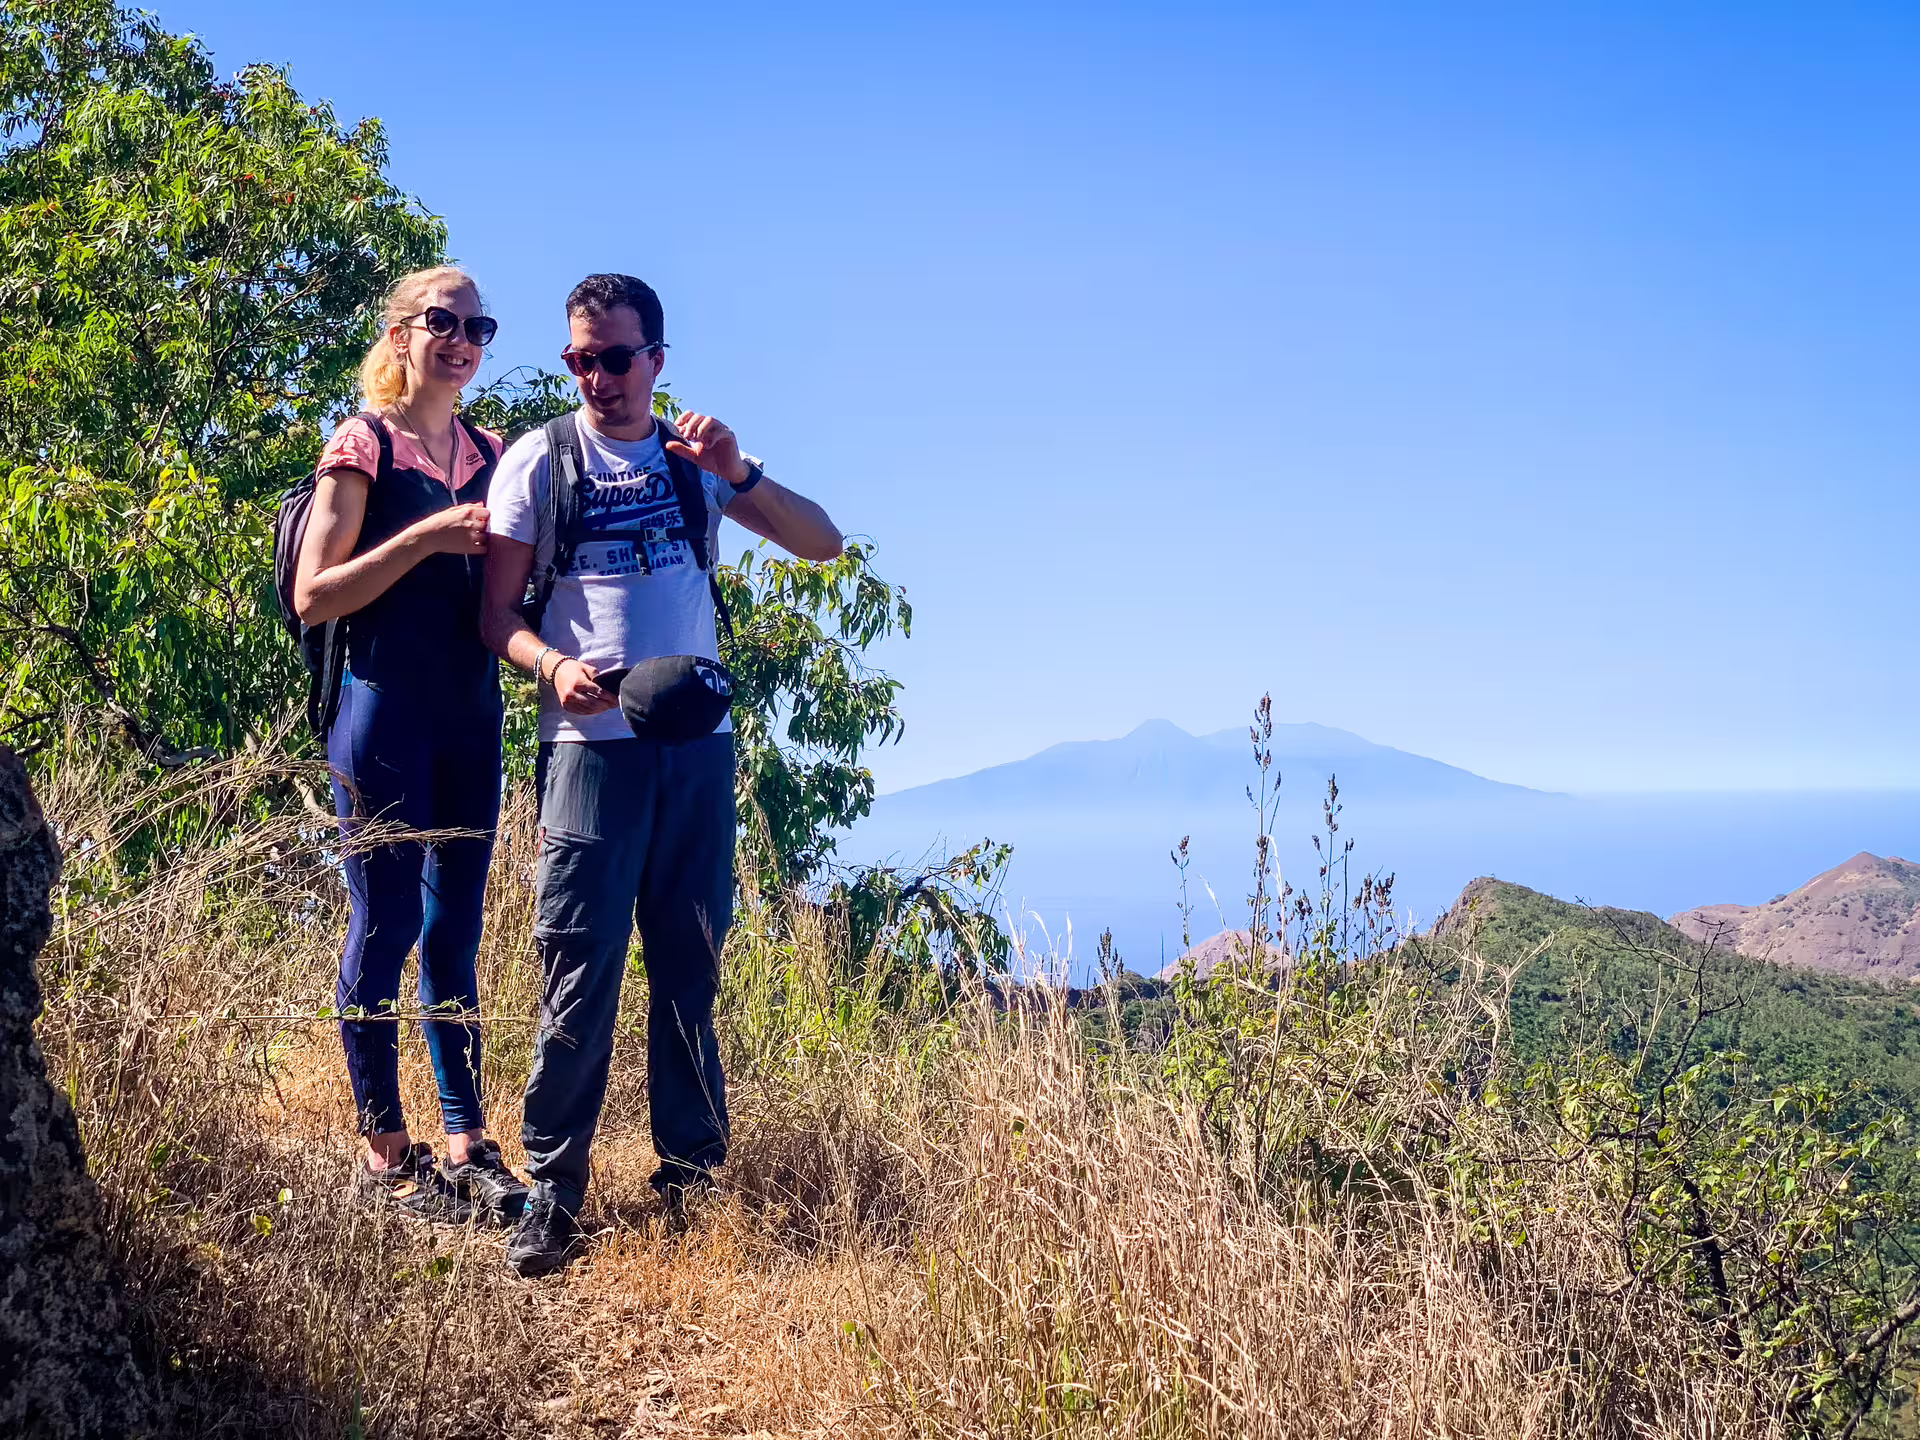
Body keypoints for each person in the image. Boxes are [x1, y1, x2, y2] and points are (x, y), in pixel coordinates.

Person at [480, 273, 843, 1277]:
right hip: (586, 756)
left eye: (618, 357)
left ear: (658, 360)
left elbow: (823, 542)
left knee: (689, 968)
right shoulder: (535, 464)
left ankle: (692, 1182)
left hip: (693, 753)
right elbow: (495, 618)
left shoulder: (698, 464)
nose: (599, 377)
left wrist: (742, 472)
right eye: (581, 359)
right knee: (577, 971)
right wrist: (553, 667)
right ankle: (553, 1189)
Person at [294, 265, 529, 1225]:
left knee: (456, 928)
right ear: (398, 334)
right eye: (443, 319)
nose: (462, 337)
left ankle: (469, 1137)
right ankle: (387, 1147)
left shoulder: (497, 453)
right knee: (384, 922)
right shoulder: (363, 447)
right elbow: (317, 594)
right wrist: (427, 537)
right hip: (381, 712)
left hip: (472, 718)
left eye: (479, 324)